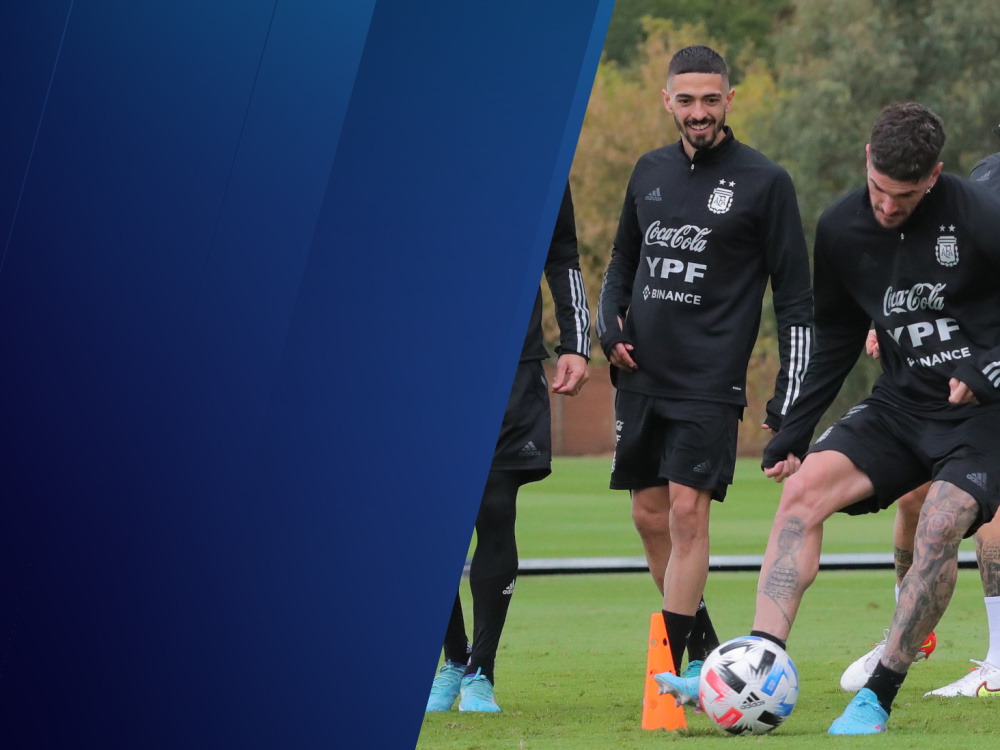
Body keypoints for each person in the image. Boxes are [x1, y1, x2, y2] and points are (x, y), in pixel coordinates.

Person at [737, 102, 1000, 735]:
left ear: (934, 175)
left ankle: (879, 694)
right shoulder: (841, 228)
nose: (886, 206)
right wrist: (795, 426)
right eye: (879, 188)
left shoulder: (981, 216)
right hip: (901, 404)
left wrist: (988, 367)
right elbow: (835, 335)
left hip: (984, 416)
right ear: (867, 160)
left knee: (940, 521)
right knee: (802, 493)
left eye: (904, 196)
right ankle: (757, 667)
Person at [595, 44, 813, 706]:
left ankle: (664, 686)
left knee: (687, 513)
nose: (698, 112)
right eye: (686, 100)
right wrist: (609, 328)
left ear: (729, 100)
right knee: (649, 516)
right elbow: (621, 262)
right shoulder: (649, 170)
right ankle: (707, 656)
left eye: (710, 100)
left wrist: (790, 403)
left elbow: (796, 301)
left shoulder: (766, 182)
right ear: (668, 100)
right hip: (641, 377)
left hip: (709, 383)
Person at [840, 143, 1000, 698]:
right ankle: (908, 629)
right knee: (912, 498)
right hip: (950, 374)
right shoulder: (983, 178)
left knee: (987, 507)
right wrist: (889, 321)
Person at [424, 182, 591, 713]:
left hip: (511, 366)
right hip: (427, 361)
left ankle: (482, 672)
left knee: (494, 509)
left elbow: (562, 255)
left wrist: (576, 342)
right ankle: (454, 658)